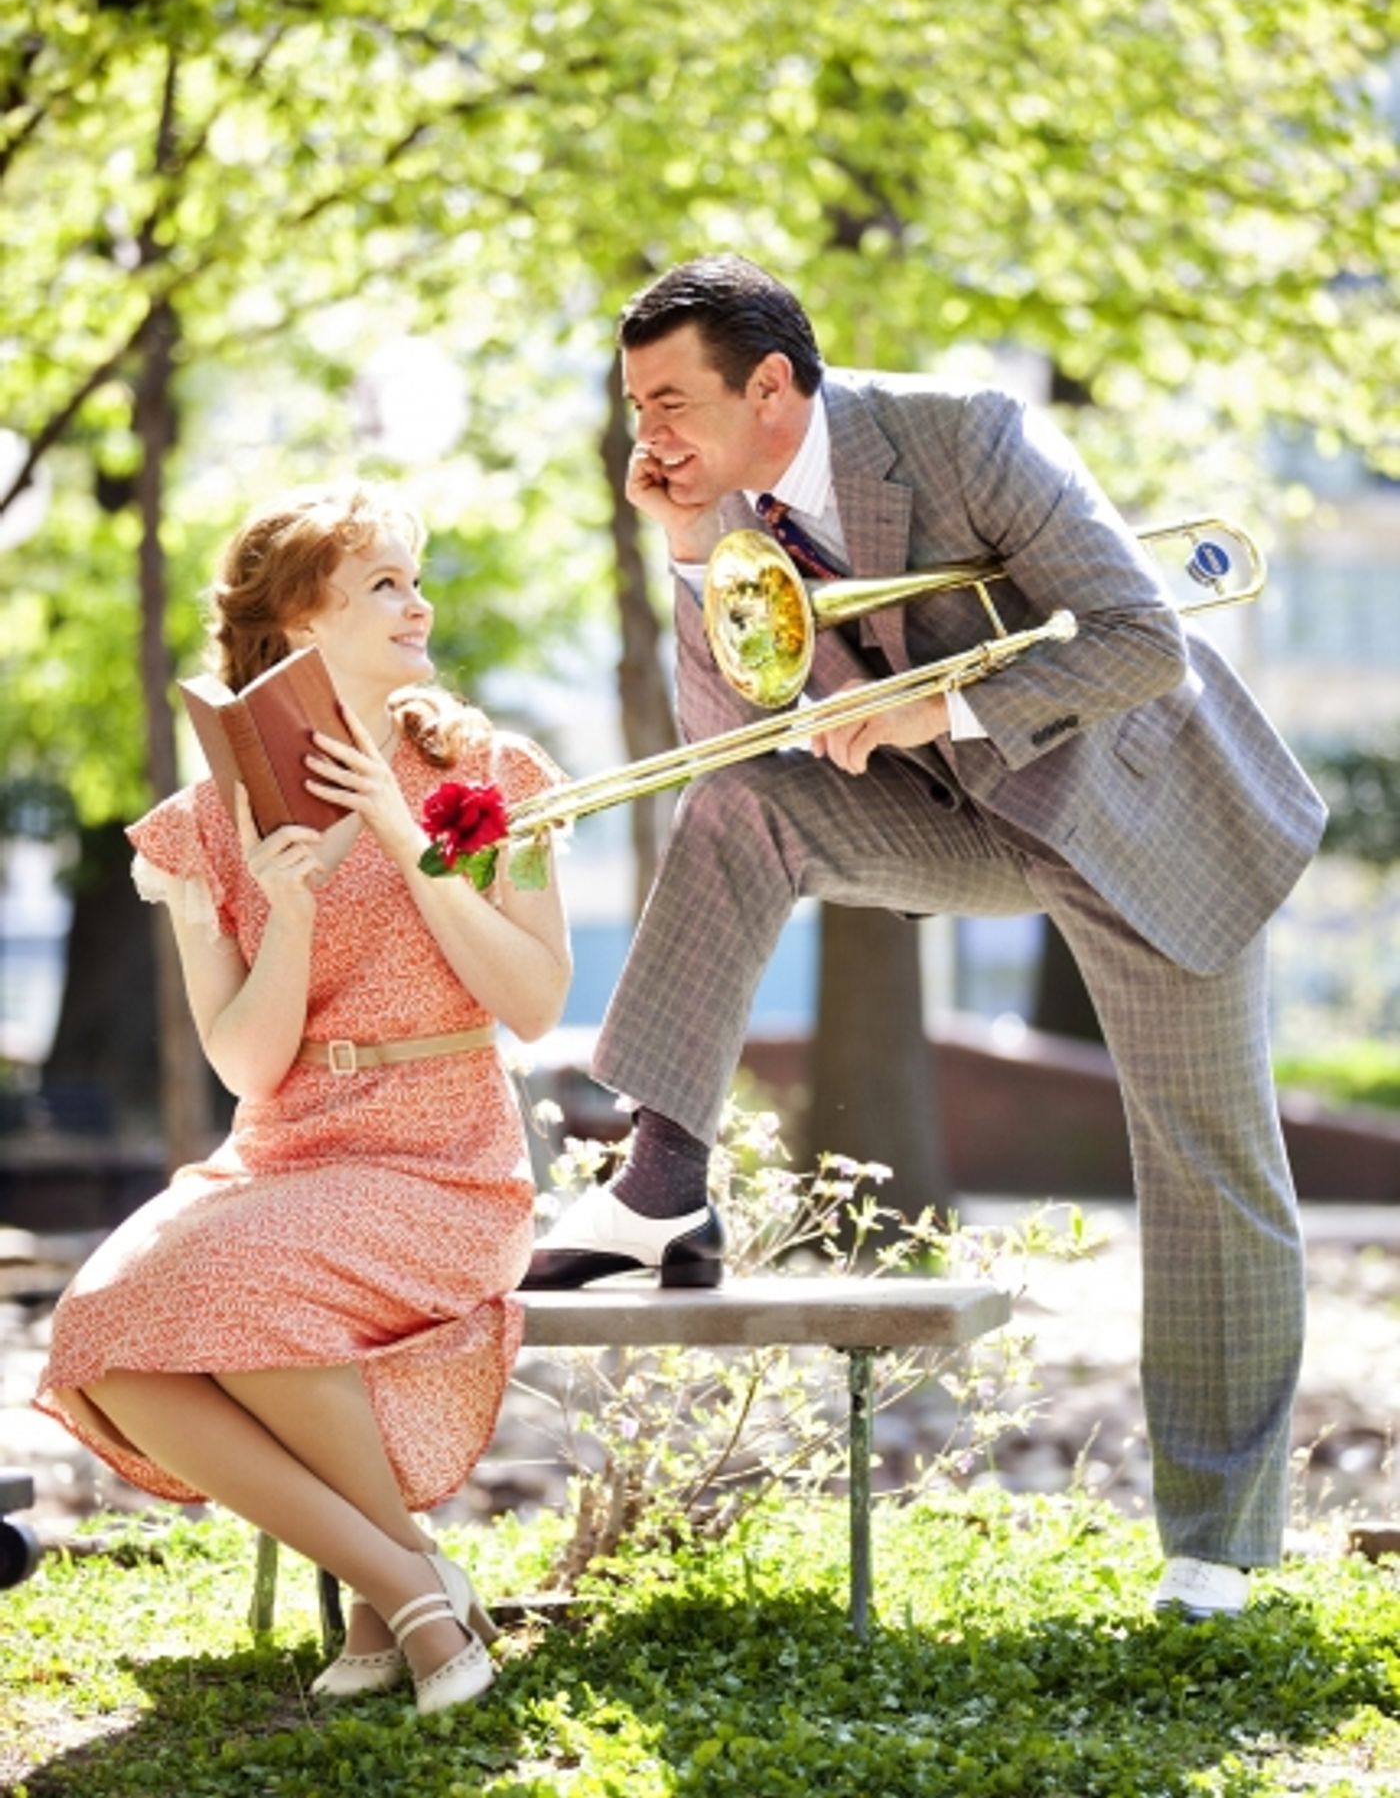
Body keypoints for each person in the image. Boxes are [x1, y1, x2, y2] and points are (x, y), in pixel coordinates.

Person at [527, 253, 1326, 1622]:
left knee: (1211, 1174)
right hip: (966, 820)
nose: (644, 433)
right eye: (633, 404)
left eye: (667, 401)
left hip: (1139, 815)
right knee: (736, 811)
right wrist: (688, 551)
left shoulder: (969, 433)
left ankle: (1219, 1545)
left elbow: (1141, 641)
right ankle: (662, 1181)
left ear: (766, 386)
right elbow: (729, 747)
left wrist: (930, 711)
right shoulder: (737, 509)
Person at [36, 482, 571, 1715]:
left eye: (414, 580)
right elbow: (245, 1066)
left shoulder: (485, 770)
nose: (418, 604)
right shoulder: (199, 828)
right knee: (100, 1333)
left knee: (244, 1293)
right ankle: (412, 1579)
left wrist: (403, 833)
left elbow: (535, 1000)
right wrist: (288, 911)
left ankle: (405, 1607)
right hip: (285, 1157)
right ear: (295, 626)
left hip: (445, 1162)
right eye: (383, 585)